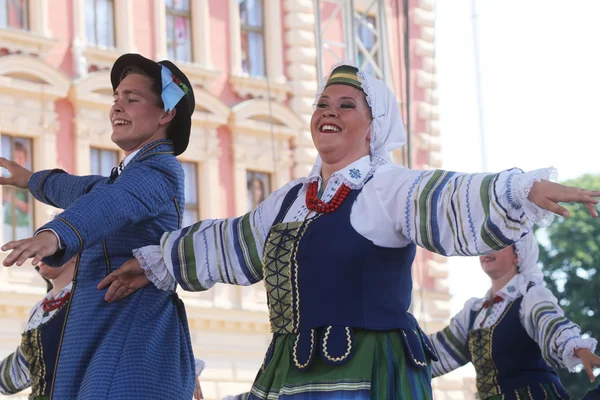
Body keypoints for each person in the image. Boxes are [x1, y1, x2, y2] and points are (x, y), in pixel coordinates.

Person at [51, 64, 600, 399]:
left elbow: (443, 195)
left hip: (364, 375)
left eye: (346, 106)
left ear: (373, 124)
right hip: (291, 370)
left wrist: (519, 190)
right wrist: (156, 263)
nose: (328, 113)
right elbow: (230, 242)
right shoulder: (290, 199)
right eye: (322, 104)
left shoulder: (385, 187)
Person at [0, 53, 200, 399]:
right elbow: (83, 190)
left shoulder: (160, 171)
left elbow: (107, 204)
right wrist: (29, 180)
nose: (117, 107)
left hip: (131, 333)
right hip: (105, 329)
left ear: (166, 113)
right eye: (116, 98)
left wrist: (55, 234)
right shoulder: (126, 176)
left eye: (132, 99)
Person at [429, 232, 600, 399]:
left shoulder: (531, 297)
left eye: (496, 244)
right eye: (484, 245)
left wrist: (579, 349)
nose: (487, 250)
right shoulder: (473, 313)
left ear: (518, 254)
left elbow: (551, 323)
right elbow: (435, 353)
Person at [0, 256, 76, 398]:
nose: (38, 253)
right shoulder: (41, 308)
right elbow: (17, 374)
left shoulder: (86, 299)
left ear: (75, 254)